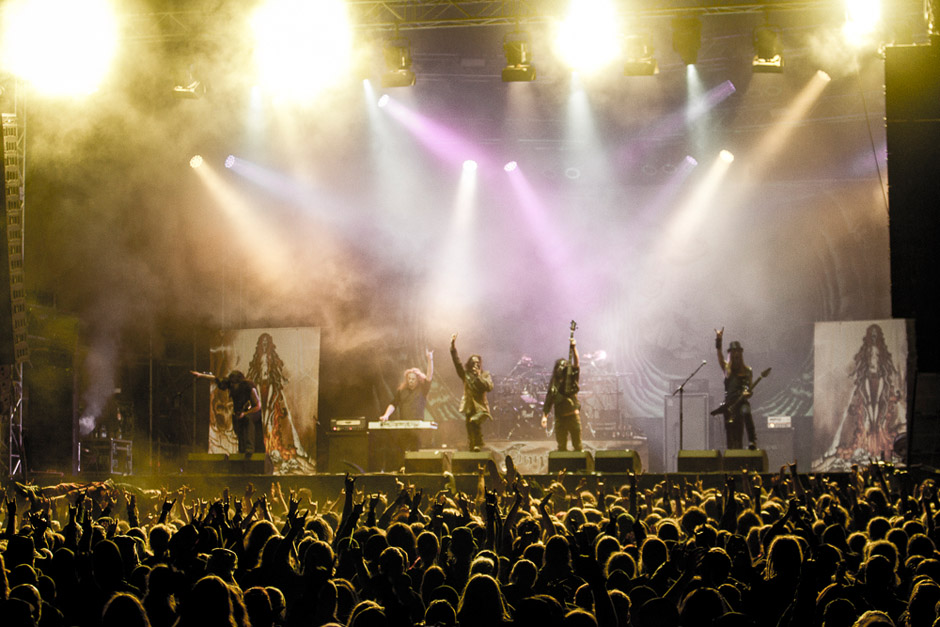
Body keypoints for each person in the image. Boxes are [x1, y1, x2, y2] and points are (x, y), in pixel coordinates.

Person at [377, 349, 434, 470]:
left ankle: (413, 471)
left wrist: (430, 359)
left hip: (416, 425)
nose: (411, 381)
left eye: (413, 379)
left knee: (414, 448)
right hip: (404, 424)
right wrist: (386, 415)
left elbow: (429, 377)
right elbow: (393, 403)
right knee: (401, 448)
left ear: (417, 379)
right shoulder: (401, 391)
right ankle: (401, 469)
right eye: (409, 379)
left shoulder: (423, 389)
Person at [192, 370, 263, 454]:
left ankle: (249, 448)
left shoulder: (249, 387)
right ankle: (242, 450)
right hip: (240, 412)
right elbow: (215, 379)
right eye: (231, 384)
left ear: (239, 383)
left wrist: (245, 413)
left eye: (234, 384)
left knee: (247, 421)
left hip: (253, 411)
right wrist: (201, 375)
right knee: (238, 427)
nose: (232, 386)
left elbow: (258, 406)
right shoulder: (230, 384)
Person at [714, 328, 757, 450]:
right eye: (733, 352)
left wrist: (747, 393)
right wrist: (719, 339)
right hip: (730, 404)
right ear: (730, 354)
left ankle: (752, 441)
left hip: (742, 402)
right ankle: (731, 454)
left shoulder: (748, 370)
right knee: (730, 432)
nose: (736, 354)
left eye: (738, 352)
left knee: (746, 412)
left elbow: (750, 389)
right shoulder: (727, 369)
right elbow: (719, 356)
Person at [450, 333, 493, 452]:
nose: (475, 365)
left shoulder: (485, 374)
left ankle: (478, 444)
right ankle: (474, 448)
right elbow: (457, 363)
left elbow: (489, 387)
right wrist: (453, 347)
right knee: (470, 427)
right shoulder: (466, 375)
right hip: (469, 406)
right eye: (473, 363)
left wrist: (479, 377)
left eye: (477, 363)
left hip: (481, 408)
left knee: (474, 421)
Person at [541, 335, 582, 452]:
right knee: (561, 448)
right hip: (560, 418)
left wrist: (574, 348)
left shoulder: (571, 378)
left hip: (572, 416)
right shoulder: (554, 382)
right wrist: (545, 416)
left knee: (577, 446)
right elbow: (549, 398)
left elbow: (577, 364)